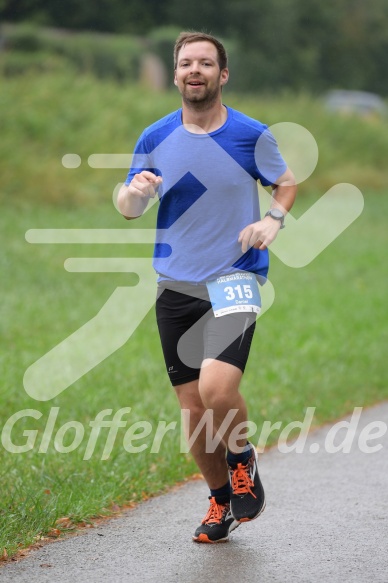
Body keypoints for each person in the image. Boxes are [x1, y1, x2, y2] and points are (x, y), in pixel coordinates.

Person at [117, 31, 297, 543]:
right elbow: (130, 209)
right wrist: (133, 193)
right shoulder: (154, 136)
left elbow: (285, 181)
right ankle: (221, 502)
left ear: (223, 74)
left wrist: (272, 221)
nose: (195, 70)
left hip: (234, 276)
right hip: (175, 285)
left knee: (219, 390)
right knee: (195, 414)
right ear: (175, 75)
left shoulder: (249, 134)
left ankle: (242, 461)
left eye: (205, 63)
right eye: (186, 63)